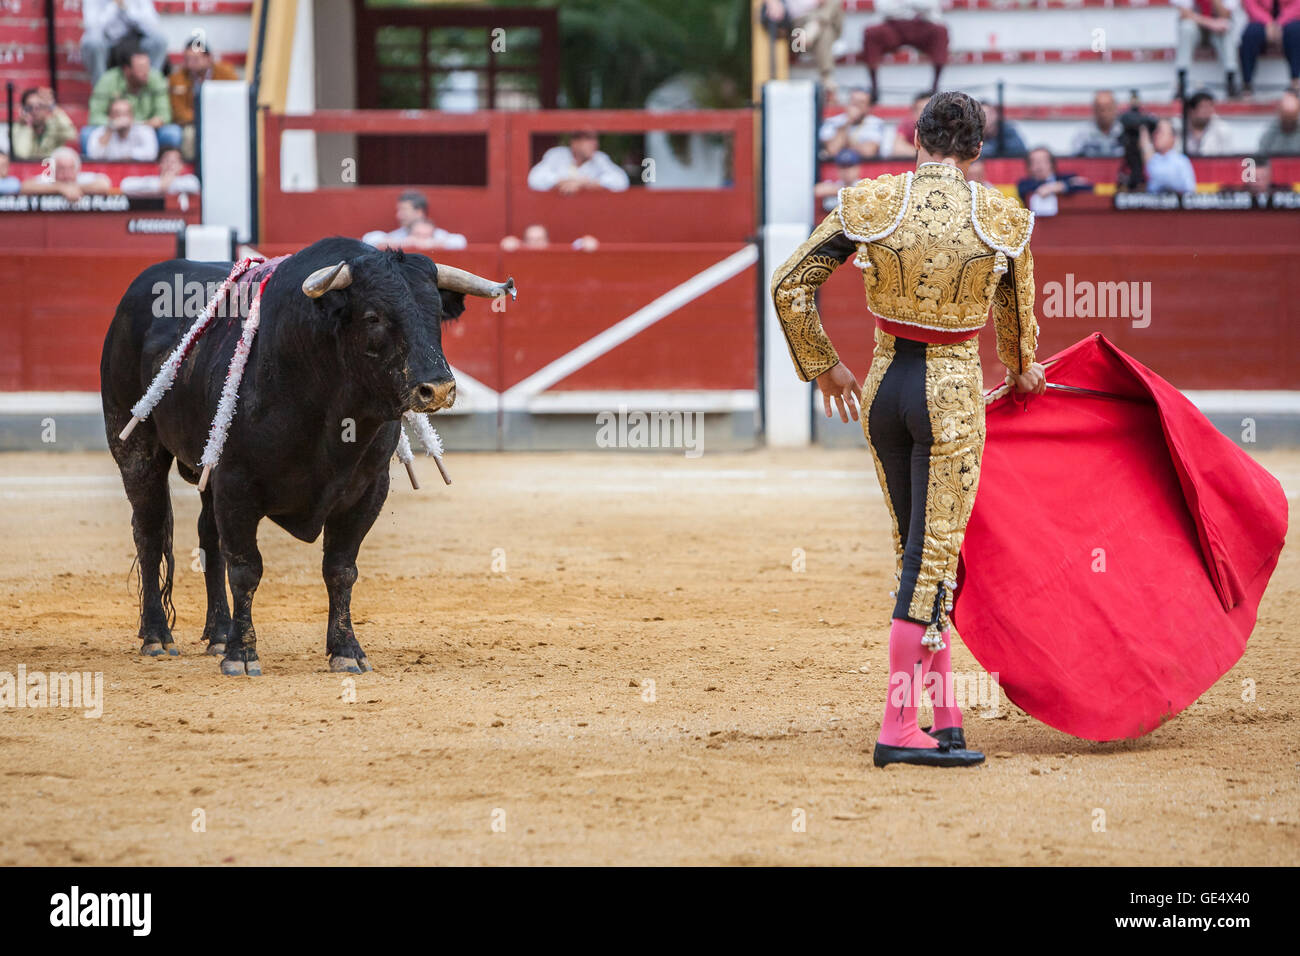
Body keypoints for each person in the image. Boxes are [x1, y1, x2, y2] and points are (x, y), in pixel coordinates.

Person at [771, 90, 1044, 769]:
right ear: (978, 151)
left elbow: (789, 285)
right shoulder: (1003, 218)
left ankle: (945, 715)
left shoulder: (872, 202)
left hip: (883, 387)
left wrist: (826, 366)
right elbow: (1015, 332)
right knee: (931, 557)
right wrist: (1022, 373)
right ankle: (898, 724)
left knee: (919, 554)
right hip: (948, 395)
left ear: (914, 137)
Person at [86, 51, 180, 153]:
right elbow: (95, 117)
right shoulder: (109, 80)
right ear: (127, 70)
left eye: (147, 67)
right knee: (86, 135)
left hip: (147, 127)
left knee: (172, 133)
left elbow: (164, 115)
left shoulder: (155, 78)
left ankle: (167, 164)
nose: (146, 72)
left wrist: (144, 123)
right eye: (140, 69)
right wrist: (114, 124)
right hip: (114, 128)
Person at [169, 33, 240, 160]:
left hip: (223, 121)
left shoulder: (226, 74)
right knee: (189, 135)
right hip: (193, 124)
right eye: (187, 60)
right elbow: (179, 113)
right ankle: (194, 171)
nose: (190, 64)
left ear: (209, 58)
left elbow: (234, 102)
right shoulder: (177, 79)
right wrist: (203, 118)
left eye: (195, 59)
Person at [862, 1, 949, 101]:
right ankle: (874, 89)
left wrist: (903, 5)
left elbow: (931, 5)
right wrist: (913, 7)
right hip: (892, 25)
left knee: (941, 32)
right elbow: (883, 7)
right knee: (871, 33)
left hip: (922, 24)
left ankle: (934, 88)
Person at [761, 0, 845, 97]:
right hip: (800, 28)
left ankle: (815, 25)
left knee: (833, 4)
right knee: (826, 31)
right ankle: (827, 77)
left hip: (819, 27)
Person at [80, 0, 167, 84]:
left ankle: (150, 89)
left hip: (134, 41)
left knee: (159, 41)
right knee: (92, 43)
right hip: (107, 44)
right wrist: (114, 5)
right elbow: (93, 28)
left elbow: (153, 25)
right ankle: (101, 91)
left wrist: (127, 8)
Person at [1173, 0, 1241, 97]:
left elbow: (1225, 14)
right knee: (1186, 28)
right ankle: (1182, 81)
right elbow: (1185, 13)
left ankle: (1231, 80)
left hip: (1217, 28)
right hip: (1196, 26)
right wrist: (1209, 23)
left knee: (1226, 28)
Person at [527, 130, 630, 193]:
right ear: (575, 142)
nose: (595, 143)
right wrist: (561, 181)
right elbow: (534, 179)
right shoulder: (557, 155)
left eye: (595, 139)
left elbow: (621, 182)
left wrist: (585, 183)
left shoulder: (599, 158)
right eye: (589, 139)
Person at [361, 190, 467, 249]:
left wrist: (428, 244)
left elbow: (460, 242)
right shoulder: (399, 235)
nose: (399, 215)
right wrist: (406, 243)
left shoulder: (438, 235)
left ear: (419, 212)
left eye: (404, 210)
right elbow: (368, 240)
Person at [1239, 0, 1300, 96]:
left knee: (1295, 31)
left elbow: (1297, 5)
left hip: (1289, 19)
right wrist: (1269, 23)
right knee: (1249, 35)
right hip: (1261, 20)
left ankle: (1295, 80)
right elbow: (1250, 5)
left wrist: (1279, 23)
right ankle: (1247, 82)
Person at [1016, 147, 1092, 216]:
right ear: (1029, 167)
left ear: (1051, 164)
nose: (1039, 166)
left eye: (1043, 161)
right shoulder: (1024, 183)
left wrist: (1059, 187)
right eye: (1034, 162)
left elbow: (1088, 187)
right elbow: (1024, 190)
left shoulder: (1066, 178)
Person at [818, 88, 886, 163]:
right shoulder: (833, 121)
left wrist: (846, 143)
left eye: (861, 103)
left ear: (868, 107)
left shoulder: (876, 123)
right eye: (854, 102)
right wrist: (848, 123)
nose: (857, 106)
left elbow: (868, 152)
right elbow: (833, 150)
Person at [10, 87, 78, 161]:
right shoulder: (18, 128)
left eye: (40, 106)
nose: (35, 111)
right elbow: (22, 155)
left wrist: (54, 108)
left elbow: (72, 135)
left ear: (47, 108)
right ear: (23, 110)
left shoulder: (55, 125)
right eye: (30, 107)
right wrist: (26, 125)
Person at [21, 146, 113, 200]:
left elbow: (104, 184)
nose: (66, 175)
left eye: (70, 169)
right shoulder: (48, 179)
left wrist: (75, 188)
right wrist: (60, 188)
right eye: (61, 169)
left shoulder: (82, 178)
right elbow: (26, 187)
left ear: (77, 170)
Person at [85, 97, 159, 161]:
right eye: (117, 114)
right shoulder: (99, 132)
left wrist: (127, 154)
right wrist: (109, 130)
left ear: (132, 116)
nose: (121, 117)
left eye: (125, 113)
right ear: (110, 117)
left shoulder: (144, 130)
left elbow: (151, 153)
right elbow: (94, 155)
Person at [1142, 118, 1198, 192]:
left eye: (1161, 132)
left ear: (1172, 138)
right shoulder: (1152, 159)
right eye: (1156, 132)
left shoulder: (1181, 161)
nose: (1156, 136)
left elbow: (1190, 190)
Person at [120, 147, 200, 196]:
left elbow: (195, 186)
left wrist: (165, 183)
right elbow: (125, 185)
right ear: (159, 164)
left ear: (181, 166)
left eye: (174, 162)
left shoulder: (189, 180)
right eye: (166, 161)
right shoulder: (151, 180)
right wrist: (160, 185)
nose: (169, 164)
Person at [1070, 90, 1124, 157]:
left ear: (1115, 108)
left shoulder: (1124, 131)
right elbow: (1075, 160)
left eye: (1108, 108)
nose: (1104, 113)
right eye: (1100, 108)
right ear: (1094, 109)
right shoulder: (1083, 133)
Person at [1184, 89, 1236, 154]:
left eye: (1210, 107)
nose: (1207, 112)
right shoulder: (1179, 129)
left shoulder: (1222, 130)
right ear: (1191, 111)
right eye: (1203, 107)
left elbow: (1228, 157)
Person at [889, 92, 931, 157]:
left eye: (929, 109)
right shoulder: (908, 125)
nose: (925, 114)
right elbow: (897, 148)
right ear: (914, 112)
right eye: (921, 109)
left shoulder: (945, 127)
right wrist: (924, 155)